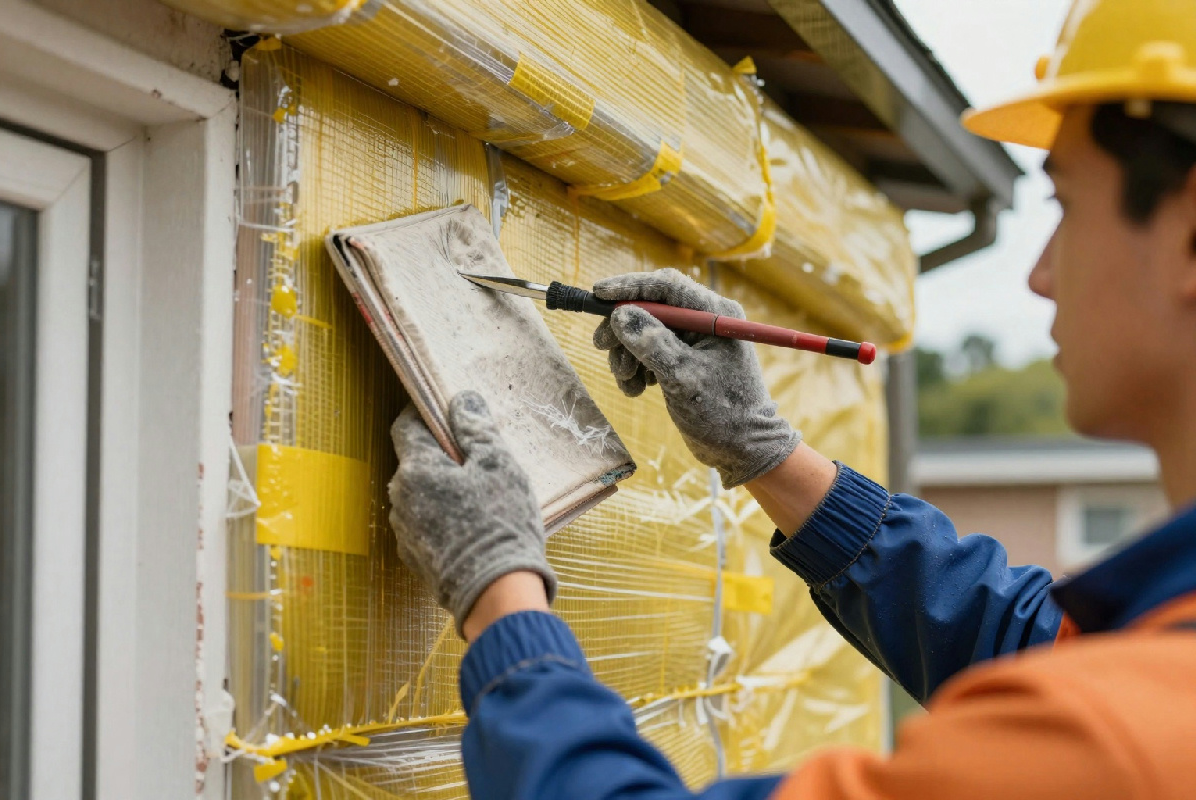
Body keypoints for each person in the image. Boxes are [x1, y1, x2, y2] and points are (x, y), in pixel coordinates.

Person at [386, 1, 1196, 797]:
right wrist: (766, 450)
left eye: (1067, 205)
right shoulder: (1151, 665)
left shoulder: (1120, 744)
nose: (1040, 274)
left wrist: (500, 595)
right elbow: (1032, 642)